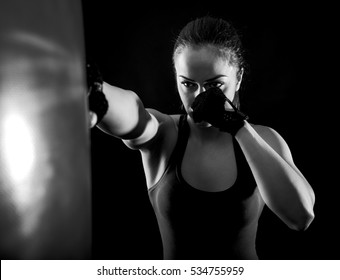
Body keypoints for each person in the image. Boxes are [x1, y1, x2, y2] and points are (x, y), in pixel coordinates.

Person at [87, 16, 315, 260]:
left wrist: (238, 126)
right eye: (188, 84)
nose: (199, 97)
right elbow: (137, 120)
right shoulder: (165, 133)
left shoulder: (263, 139)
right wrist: (97, 92)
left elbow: (300, 217)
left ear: (238, 78)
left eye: (214, 85)